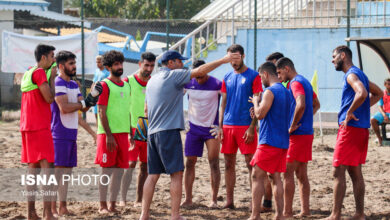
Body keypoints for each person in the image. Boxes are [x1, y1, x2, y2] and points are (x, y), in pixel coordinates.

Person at [139, 50, 240, 220]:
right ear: (171, 63)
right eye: (180, 61)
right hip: (168, 132)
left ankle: (144, 214)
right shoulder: (174, 76)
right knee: (177, 174)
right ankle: (175, 215)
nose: (182, 64)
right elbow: (200, 72)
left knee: (152, 174)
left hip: (152, 132)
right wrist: (223, 60)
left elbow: (146, 110)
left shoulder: (152, 80)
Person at [324, 45, 382, 220]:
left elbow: (362, 93)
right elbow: (378, 93)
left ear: (343, 56)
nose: (332, 60)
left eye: (334, 56)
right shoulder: (360, 74)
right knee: (355, 173)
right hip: (361, 130)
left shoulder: (350, 75)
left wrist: (350, 111)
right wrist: (360, 108)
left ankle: (335, 215)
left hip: (350, 130)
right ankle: (359, 214)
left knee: (338, 172)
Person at [50, 51, 99, 217]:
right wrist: (84, 102)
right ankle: (51, 208)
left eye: (74, 63)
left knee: (66, 174)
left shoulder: (72, 84)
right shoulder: (58, 82)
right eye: (71, 63)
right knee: (57, 174)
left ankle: (62, 207)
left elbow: (81, 108)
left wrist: (92, 97)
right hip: (59, 134)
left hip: (71, 134)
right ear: (61, 66)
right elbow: (64, 107)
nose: (74, 66)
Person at [218, 44, 262, 209]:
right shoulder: (227, 76)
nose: (233, 61)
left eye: (235, 58)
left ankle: (253, 201)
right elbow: (223, 103)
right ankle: (229, 201)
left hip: (245, 125)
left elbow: (258, 101)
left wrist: (252, 126)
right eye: (230, 58)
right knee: (228, 164)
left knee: (250, 164)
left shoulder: (254, 76)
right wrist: (220, 126)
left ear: (243, 56)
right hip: (228, 126)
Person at [275, 57, 320, 218]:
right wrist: (306, 118)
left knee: (288, 173)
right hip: (306, 133)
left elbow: (301, 104)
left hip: (297, 135)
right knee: (302, 174)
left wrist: (293, 124)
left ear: (287, 69)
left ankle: (287, 211)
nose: (279, 77)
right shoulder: (305, 81)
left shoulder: (295, 83)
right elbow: (316, 104)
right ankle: (305, 210)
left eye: (279, 73)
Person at [248, 62, 291, 220]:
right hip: (282, 140)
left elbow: (260, 114)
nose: (260, 80)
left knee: (256, 175)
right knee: (275, 177)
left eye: (260, 77)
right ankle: (279, 214)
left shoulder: (269, 91)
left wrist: (255, 102)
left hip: (269, 141)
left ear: (265, 74)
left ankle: (255, 215)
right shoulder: (286, 91)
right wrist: (258, 109)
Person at [20, 44, 57, 220]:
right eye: (51, 56)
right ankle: (48, 214)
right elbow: (49, 98)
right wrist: (53, 79)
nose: (53, 59)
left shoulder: (29, 72)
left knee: (32, 171)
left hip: (27, 126)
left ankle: (31, 213)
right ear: (43, 57)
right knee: (47, 169)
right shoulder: (41, 72)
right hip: (40, 126)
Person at [181, 60, 222, 208]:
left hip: (211, 128)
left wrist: (221, 126)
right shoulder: (188, 83)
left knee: (214, 163)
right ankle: (188, 198)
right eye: (196, 76)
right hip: (193, 128)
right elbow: (174, 99)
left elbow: (225, 104)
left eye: (201, 75)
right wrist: (182, 119)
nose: (198, 79)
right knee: (190, 163)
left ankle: (214, 200)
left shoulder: (217, 84)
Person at [95, 50, 131, 213]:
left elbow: (126, 110)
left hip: (123, 134)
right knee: (107, 170)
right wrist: (109, 135)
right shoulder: (104, 85)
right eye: (116, 64)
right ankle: (102, 206)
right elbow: (101, 111)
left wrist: (130, 131)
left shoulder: (126, 85)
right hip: (107, 135)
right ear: (108, 67)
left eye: (120, 63)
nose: (120, 66)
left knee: (120, 170)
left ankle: (113, 205)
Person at [119, 52, 156, 207]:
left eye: (152, 66)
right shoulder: (128, 81)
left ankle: (139, 199)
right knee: (130, 164)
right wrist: (128, 131)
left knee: (145, 166)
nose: (149, 68)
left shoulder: (154, 83)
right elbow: (123, 108)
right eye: (146, 65)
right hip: (134, 128)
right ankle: (122, 198)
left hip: (149, 128)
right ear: (140, 64)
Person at [370, 78, 390, 146]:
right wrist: (384, 115)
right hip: (385, 113)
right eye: (389, 84)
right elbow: (380, 106)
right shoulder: (382, 94)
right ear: (385, 85)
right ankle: (379, 138)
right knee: (372, 120)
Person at [92, 55, 110, 122]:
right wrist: (92, 93)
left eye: (99, 62)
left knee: (102, 115)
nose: (97, 64)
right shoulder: (96, 71)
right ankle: (97, 130)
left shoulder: (107, 72)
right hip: (96, 96)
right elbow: (94, 82)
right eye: (96, 62)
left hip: (102, 96)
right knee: (96, 113)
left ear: (103, 62)